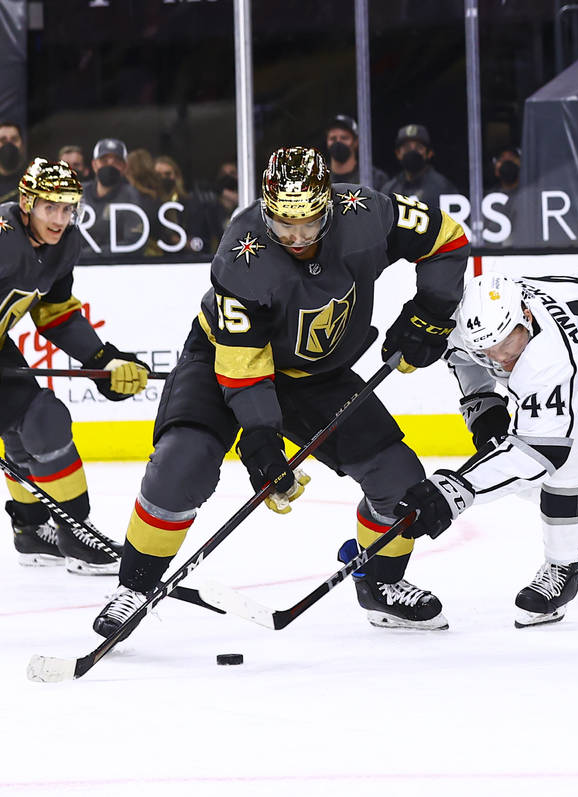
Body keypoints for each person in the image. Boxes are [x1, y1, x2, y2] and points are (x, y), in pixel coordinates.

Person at [92, 146, 470, 638]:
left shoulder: (367, 214)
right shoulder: (242, 251)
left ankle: (379, 583)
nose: (295, 237)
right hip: (220, 359)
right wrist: (261, 438)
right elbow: (242, 361)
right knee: (182, 462)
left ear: (328, 206)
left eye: (308, 224)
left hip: (317, 374)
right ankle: (135, 586)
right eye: (282, 223)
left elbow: (446, 237)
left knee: (400, 480)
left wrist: (431, 314)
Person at [390, 271, 578, 628]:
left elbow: (539, 454)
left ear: (525, 315)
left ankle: (563, 565)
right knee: (508, 465)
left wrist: (453, 492)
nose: (500, 360)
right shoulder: (476, 320)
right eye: (488, 351)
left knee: (564, 459)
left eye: (508, 345)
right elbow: (463, 354)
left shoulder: (549, 358)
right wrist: (482, 404)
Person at [1, 158, 150, 574]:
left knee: (32, 423)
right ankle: (70, 532)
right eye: (51, 207)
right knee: (40, 419)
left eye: (68, 208)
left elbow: (56, 314)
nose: (60, 219)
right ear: (27, 203)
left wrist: (101, 359)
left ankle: (34, 529)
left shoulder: (64, 244)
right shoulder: (3, 237)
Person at [81, 138, 153, 256]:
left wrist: (87, 255)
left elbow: (133, 243)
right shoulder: (78, 193)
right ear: (94, 165)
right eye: (104, 160)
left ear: (125, 167)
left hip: (117, 268)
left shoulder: (132, 197)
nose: (110, 165)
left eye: (117, 161)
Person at [380, 123, 459, 208]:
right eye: (407, 147)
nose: (412, 151)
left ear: (429, 153)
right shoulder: (389, 189)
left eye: (418, 147)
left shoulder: (443, 188)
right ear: (398, 153)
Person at [324, 114, 388, 188]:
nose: (338, 142)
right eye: (333, 138)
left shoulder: (376, 178)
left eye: (344, 138)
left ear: (356, 142)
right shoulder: (319, 178)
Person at [0, 122, 26, 204]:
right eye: (3, 140)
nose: (9, 145)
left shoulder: (32, 179)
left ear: (22, 145)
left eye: (14, 140)